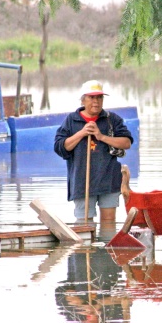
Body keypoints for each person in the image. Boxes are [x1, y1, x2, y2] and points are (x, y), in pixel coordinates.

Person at [54, 80, 133, 223]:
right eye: (91, 97)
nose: (96, 101)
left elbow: (126, 143)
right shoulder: (72, 120)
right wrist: (82, 133)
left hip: (109, 180)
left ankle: (107, 239)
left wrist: (101, 137)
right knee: (84, 223)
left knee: (109, 221)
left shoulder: (111, 119)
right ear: (83, 100)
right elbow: (60, 147)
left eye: (99, 97)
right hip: (81, 181)